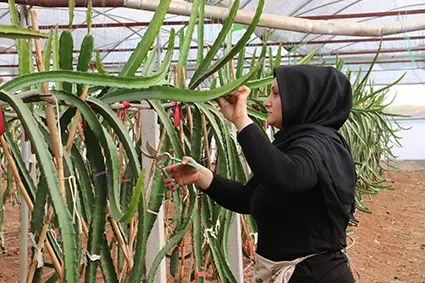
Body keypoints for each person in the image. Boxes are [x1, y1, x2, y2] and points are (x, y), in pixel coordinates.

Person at [163, 65, 357, 283]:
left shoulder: (319, 146)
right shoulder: (292, 144)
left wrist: (241, 121)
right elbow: (247, 198)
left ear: (303, 98)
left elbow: (288, 175)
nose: (266, 102)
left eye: (276, 94)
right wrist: (201, 176)